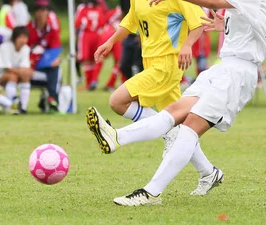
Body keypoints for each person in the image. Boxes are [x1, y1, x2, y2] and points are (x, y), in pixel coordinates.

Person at [86, 0, 266, 206]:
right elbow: (260, 33)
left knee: (189, 128)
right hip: (223, 68)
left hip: (237, 74)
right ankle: (115, 137)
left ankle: (151, 193)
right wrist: (227, 27)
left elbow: (211, 1)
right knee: (172, 113)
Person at [86, 0, 205, 155]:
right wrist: (111, 41)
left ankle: (119, 137)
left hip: (167, 66)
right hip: (150, 62)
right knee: (178, 126)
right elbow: (131, 21)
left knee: (117, 101)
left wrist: (188, 44)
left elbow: (200, 22)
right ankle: (209, 171)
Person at [27, 0, 62, 113]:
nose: (41, 13)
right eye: (39, 10)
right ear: (35, 13)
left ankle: (52, 99)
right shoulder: (27, 29)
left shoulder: (52, 30)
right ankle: (50, 99)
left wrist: (55, 60)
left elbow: (55, 50)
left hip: (45, 65)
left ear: (48, 13)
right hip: (29, 65)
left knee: (56, 68)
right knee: (55, 72)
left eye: (44, 10)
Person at [0, 26, 33, 114]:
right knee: (13, 77)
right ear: (14, 38)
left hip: (17, 74)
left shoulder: (26, 49)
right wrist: (24, 72)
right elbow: (7, 68)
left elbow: (25, 66)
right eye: (20, 37)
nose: (23, 40)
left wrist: (26, 72)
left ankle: (23, 107)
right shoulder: (4, 47)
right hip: (0, 75)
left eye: (25, 37)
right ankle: (11, 106)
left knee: (25, 77)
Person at [75, 0, 106, 91]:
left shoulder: (82, 8)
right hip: (97, 34)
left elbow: (77, 23)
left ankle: (90, 83)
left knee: (87, 60)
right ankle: (93, 81)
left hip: (86, 35)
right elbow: (102, 22)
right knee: (95, 57)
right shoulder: (98, 8)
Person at [100, 5, 125, 92]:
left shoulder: (112, 12)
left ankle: (93, 81)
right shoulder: (127, 10)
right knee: (120, 61)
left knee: (101, 57)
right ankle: (114, 83)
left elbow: (103, 22)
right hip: (117, 35)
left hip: (107, 34)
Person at [117, 0, 143, 84]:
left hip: (143, 35)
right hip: (129, 35)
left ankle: (139, 89)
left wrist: (140, 34)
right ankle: (132, 86)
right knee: (124, 65)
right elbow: (125, 14)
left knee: (138, 66)